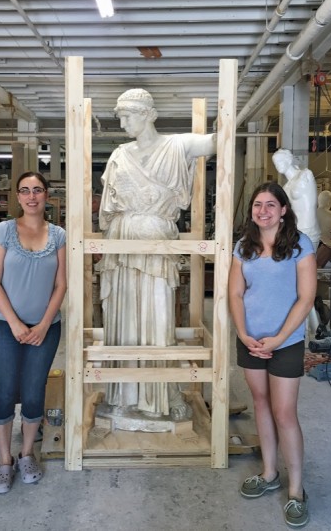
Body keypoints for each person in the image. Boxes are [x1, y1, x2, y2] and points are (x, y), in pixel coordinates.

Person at [97, 88, 216, 422]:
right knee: (122, 318)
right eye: (119, 116)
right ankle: (124, 394)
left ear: (149, 113)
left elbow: (214, 141)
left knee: (159, 315)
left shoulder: (176, 145)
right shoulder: (119, 154)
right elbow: (107, 210)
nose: (122, 124)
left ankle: (161, 393)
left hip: (157, 240)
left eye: (127, 116)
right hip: (121, 239)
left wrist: (230, 112)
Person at [228, 181, 316, 528]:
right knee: (260, 404)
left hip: (287, 341)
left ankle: (296, 491)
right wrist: (243, 333)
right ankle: (269, 473)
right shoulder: (243, 247)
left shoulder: (299, 245)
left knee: (284, 413)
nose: (262, 211)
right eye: (257, 205)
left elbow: (305, 298)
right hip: (251, 339)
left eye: (270, 205)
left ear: (283, 211)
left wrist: (278, 338)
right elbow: (235, 293)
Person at [0, 171, 66, 494]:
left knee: (34, 393)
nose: (31, 196)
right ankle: (5, 461)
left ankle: (27, 453)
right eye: (25, 191)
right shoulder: (3, 231)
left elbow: (61, 284)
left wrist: (44, 323)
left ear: (46, 195)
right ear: (17, 196)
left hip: (45, 328)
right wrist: (16, 323)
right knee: (4, 392)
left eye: (37, 190)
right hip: (3, 327)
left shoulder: (59, 235)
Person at [272, 148, 321, 250]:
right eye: (275, 163)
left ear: (289, 160)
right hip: (293, 229)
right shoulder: (285, 187)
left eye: (280, 161)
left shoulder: (305, 174)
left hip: (308, 228)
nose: (278, 165)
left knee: (307, 263)